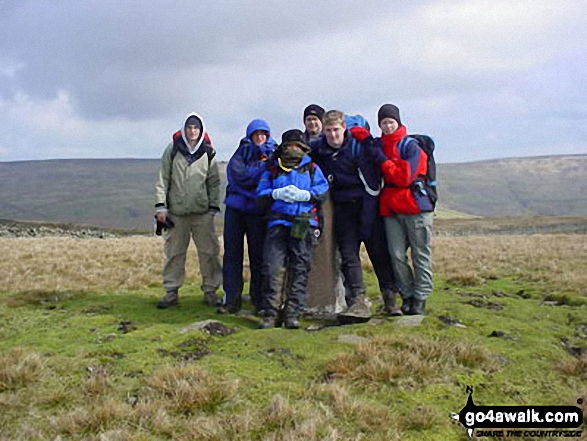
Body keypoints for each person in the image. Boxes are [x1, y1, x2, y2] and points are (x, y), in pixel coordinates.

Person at [311, 110, 399, 315]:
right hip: (342, 207)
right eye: (329, 131)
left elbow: (379, 162)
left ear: (344, 128)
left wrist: (368, 140)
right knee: (349, 255)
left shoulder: (361, 145)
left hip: (368, 203)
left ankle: (390, 298)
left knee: (378, 252)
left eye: (336, 130)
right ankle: (357, 300)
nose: (333, 135)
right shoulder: (320, 150)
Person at [256, 129, 329, 329]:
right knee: (273, 268)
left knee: (300, 269)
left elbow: (322, 191)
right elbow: (260, 193)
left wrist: (306, 195)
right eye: (289, 145)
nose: (292, 149)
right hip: (277, 223)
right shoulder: (272, 168)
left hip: (304, 223)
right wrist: (275, 193)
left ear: (304, 147)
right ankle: (271, 314)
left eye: (297, 145)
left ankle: (292, 314)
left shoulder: (313, 168)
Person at [154, 113, 223, 309]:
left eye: (196, 128)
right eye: (189, 128)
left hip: (202, 214)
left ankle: (211, 291)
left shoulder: (208, 152)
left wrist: (212, 208)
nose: (192, 131)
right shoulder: (173, 149)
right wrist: (161, 207)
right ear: (184, 129)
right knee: (174, 253)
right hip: (176, 213)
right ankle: (171, 291)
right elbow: (163, 180)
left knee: (209, 252)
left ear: (201, 131)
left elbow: (214, 182)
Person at [374, 104, 434, 315]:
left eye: (391, 122)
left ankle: (420, 297)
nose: (388, 126)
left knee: (420, 254)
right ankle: (407, 295)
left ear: (398, 122)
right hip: (391, 208)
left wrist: (384, 163)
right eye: (383, 122)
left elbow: (405, 177)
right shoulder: (378, 145)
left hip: (416, 206)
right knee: (396, 255)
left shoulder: (411, 146)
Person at [219, 119, 277, 314]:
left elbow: (266, 177)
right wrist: (259, 176)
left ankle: (258, 299)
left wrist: (254, 178)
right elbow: (236, 175)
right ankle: (231, 299)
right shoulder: (241, 151)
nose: (260, 137)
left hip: (257, 211)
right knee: (232, 254)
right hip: (236, 209)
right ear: (250, 135)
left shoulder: (274, 152)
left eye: (263, 134)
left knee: (258, 255)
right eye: (256, 134)